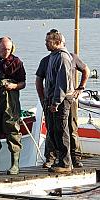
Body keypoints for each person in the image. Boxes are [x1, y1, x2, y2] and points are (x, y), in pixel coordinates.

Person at [36, 29, 90, 170]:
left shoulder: (64, 57)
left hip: (62, 100)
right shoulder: (52, 57)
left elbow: (62, 83)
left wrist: (56, 102)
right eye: (46, 40)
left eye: (49, 41)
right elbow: (41, 80)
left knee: (63, 130)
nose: (46, 43)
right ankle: (59, 160)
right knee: (54, 131)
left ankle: (67, 162)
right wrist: (45, 100)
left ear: (58, 42)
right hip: (51, 99)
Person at [0, 36, 26, 175]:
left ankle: (15, 165)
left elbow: (23, 83)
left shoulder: (17, 62)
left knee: (13, 131)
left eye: (9, 49)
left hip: (11, 102)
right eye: (4, 49)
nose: (6, 52)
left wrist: (14, 85)